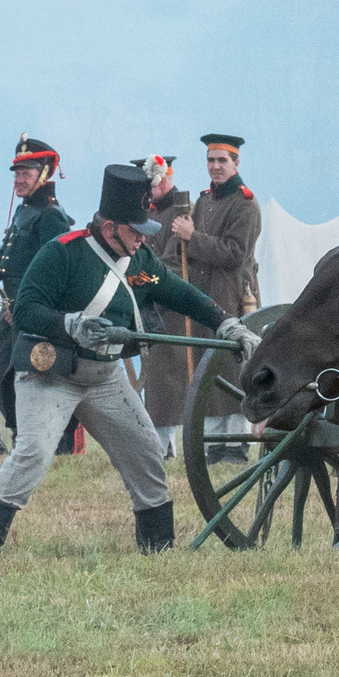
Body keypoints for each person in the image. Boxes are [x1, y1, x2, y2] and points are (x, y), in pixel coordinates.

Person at [0, 163, 258, 558]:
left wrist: (226, 324)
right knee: (34, 453)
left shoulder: (139, 261)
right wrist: (70, 323)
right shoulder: (61, 253)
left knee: (146, 453)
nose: (142, 239)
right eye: (135, 231)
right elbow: (26, 311)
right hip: (52, 373)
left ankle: (158, 549)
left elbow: (180, 293)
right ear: (110, 228)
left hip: (104, 377)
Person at [0, 135, 73, 441]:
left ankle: (37, 438)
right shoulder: (24, 211)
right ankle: (24, 435)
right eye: (18, 174)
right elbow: (8, 249)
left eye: (26, 174)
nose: (19, 180)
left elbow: (50, 273)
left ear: (44, 174)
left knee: (27, 378)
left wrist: (21, 306)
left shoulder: (52, 216)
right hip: (12, 310)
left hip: (31, 311)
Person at [176, 134, 262, 455]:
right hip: (204, 296)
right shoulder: (203, 201)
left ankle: (236, 445)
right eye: (211, 160)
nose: (215, 167)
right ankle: (212, 447)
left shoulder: (245, 203)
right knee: (207, 371)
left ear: (236, 163)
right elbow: (190, 250)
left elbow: (234, 254)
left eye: (222, 161)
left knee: (231, 370)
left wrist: (192, 236)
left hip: (232, 296)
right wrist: (182, 237)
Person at [137, 155, 195, 455]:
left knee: (170, 382)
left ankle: (167, 443)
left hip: (171, 305)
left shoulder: (181, 211)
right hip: (152, 302)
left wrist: (142, 275)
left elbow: (175, 261)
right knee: (157, 383)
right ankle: (164, 444)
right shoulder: (149, 212)